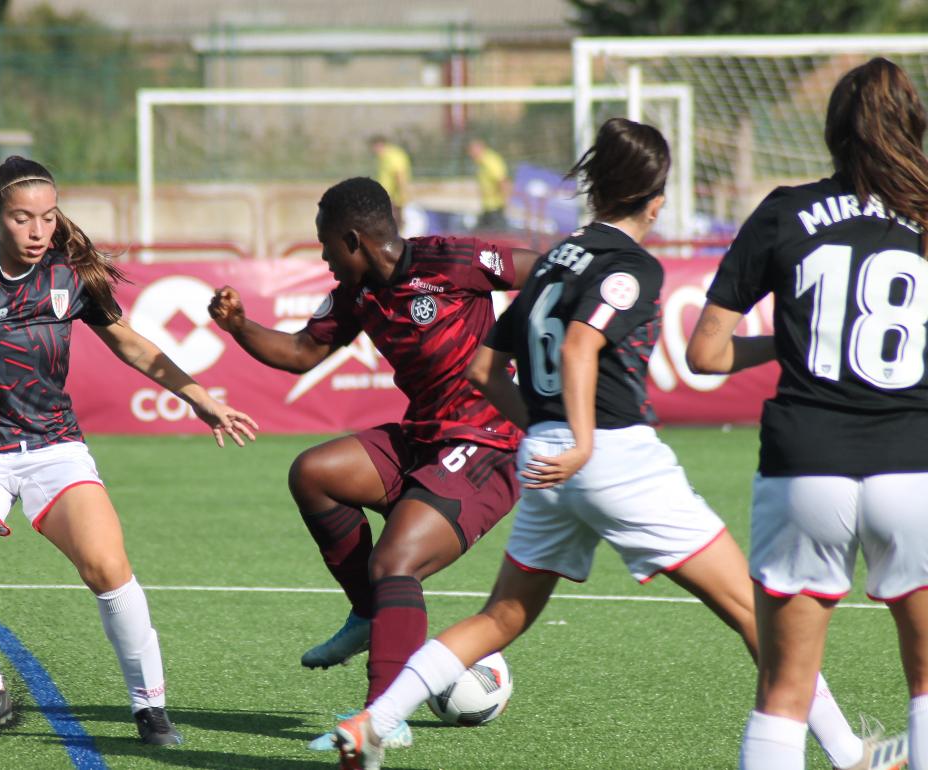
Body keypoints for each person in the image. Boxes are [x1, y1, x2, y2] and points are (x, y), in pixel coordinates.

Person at [332, 118, 902, 770]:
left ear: (596, 188)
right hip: (611, 456)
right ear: (655, 202)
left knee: (501, 617)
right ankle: (853, 755)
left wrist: (547, 432)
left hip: (544, 456)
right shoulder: (632, 267)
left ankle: (376, 721)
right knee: (757, 610)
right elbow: (580, 345)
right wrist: (579, 438)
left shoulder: (553, 260)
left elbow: (483, 370)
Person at [0, 156, 258, 744]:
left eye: (47, 217)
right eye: (22, 218)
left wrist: (198, 396)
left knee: (107, 567)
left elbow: (132, 344)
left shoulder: (70, 278)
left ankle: (150, 708)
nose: (38, 230)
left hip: (54, 449)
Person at [208, 176, 538, 750]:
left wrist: (537, 351)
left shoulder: (453, 260)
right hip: (425, 436)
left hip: (489, 442)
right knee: (314, 474)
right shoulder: (358, 294)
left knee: (395, 561)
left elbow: (546, 271)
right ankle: (368, 615)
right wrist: (238, 326)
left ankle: (382, 719)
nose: (323, 257)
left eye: (325, 245)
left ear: (353, 240)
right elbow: (300, 351)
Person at [686, 57, 928, 770]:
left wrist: (785, 344)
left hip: (805, 465)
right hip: (913, 466)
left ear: (831, 133)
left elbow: (705, 353)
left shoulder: (785, 209)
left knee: (784, 693)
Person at [468, 138, 510, 231]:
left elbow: (502, 180)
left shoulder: (490, 161)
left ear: (480, 149)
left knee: (494, 235)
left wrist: (505, 201)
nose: (470, 155)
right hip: (488, 206)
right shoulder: (481, 162)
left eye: (472, 151)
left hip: (496, 207)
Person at [369, 137, 411, 227]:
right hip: (386, 196)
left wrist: (402, 192)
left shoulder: (393, 156)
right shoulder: (382, 157)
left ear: (380, 145)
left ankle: (394, 240)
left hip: (392, 197)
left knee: (392, 224)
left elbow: (399, 175)